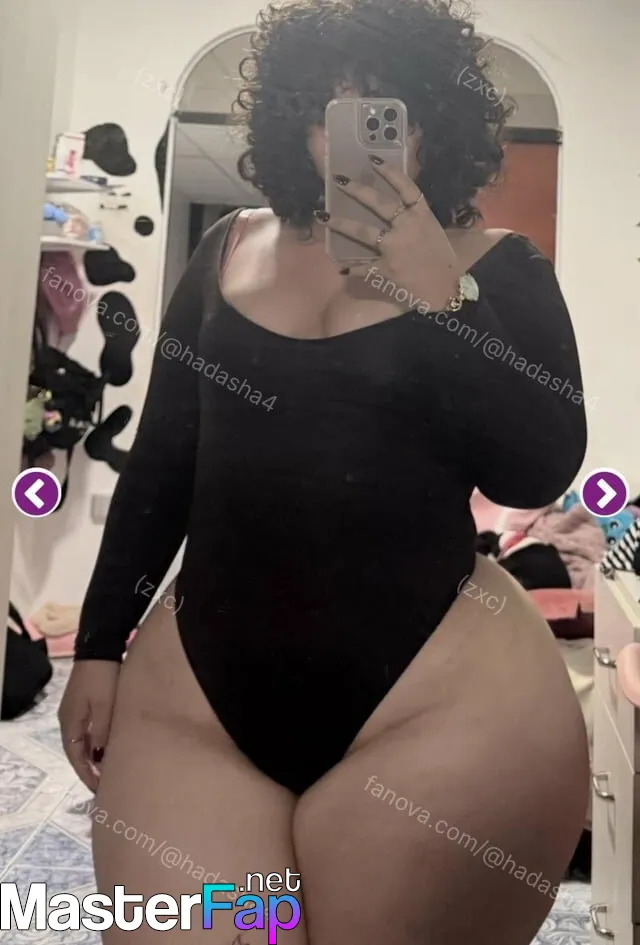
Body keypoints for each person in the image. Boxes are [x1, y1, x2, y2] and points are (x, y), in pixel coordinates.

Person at [59, 0, 590, 942]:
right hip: (200, 704)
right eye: (324, 107)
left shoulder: (500, 267)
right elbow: (166, 460)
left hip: (438, 703)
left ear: (431, 120)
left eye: (382, 106)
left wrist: (445, 297)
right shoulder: (226, 249)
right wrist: (98, 642)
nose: (344, 133)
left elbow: (535, 467)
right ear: (292, 119)